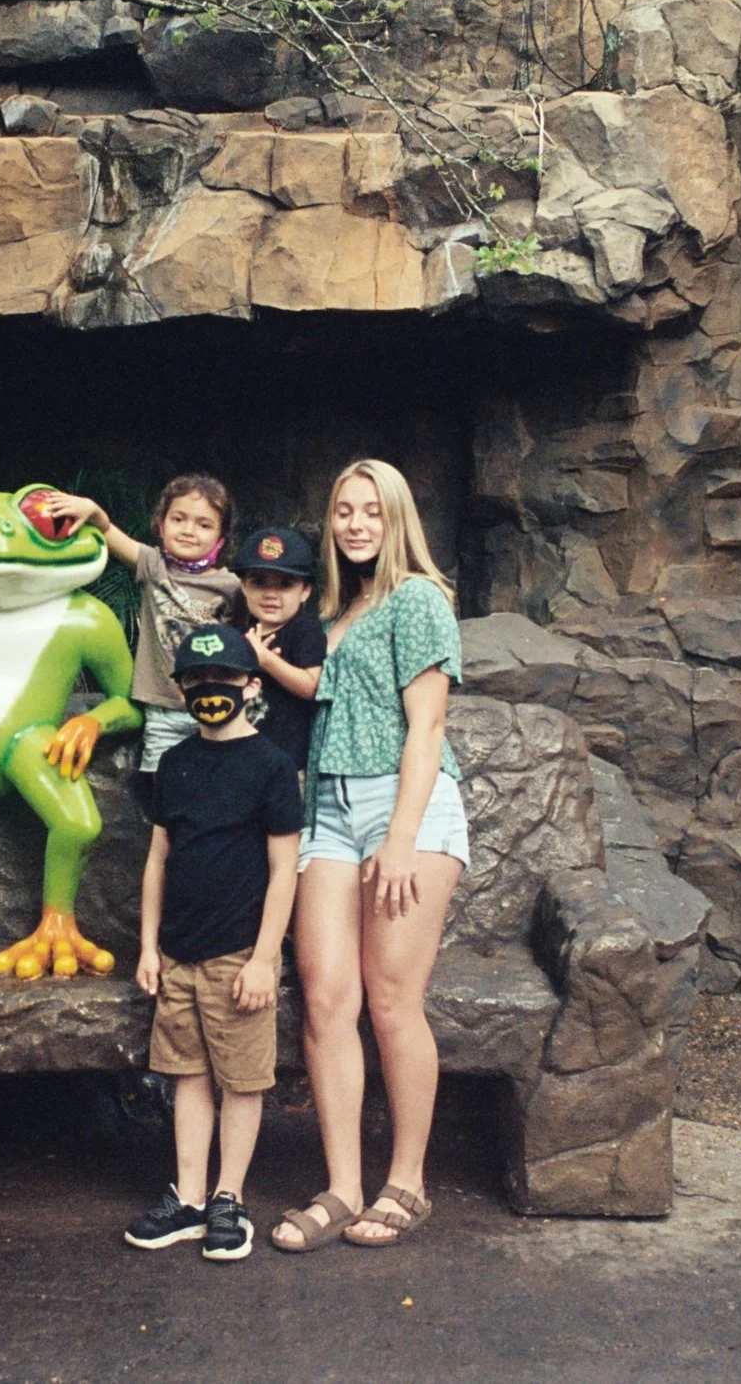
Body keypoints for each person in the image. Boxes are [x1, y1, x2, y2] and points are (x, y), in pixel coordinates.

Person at [272, 458, 468, 1252]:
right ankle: (344, 1185)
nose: (355, 524)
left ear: (397, 520)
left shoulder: (419, 599)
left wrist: (398, 838)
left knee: (391, 999)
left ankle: (407, 1182)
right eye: (343, 511)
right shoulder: (334, 608)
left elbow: (427, 727)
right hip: (326, 810)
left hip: (402, 807)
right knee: (326, 1000)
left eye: (371, 512)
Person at [123, 624, 303, 1262]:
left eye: (223, 679)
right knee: (186, 1075)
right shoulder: (175, 765)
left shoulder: (272, 766)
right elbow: (158, 860)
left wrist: (263, 958)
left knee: (242, 1079)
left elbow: (285, 869)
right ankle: (191, 1197)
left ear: (251, 685)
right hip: (178, 954)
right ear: (180, 690)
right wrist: (149, 948)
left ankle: (230, 1196)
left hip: (236, 957)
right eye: (196, 681)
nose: (209, 691)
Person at [45, 477, 241, 784]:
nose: (189, 530)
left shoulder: (231, 586)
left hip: (215, 705)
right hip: (163, 710)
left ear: (221, 537)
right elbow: (109, 532)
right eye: (179, 519)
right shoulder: (154, 566)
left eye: (204, 525)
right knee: (164, 790)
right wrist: (93, 512)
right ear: (161, 525)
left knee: (216, 785)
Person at [234, 525, 327, 774]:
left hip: (287, 765)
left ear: (305, 590)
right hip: (240, 758)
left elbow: (312, 686)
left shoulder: (304, 629)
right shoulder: (238, 632)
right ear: (243, 585)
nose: (271, 594)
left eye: (285, 584)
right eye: (259, 582)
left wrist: (265, 660)